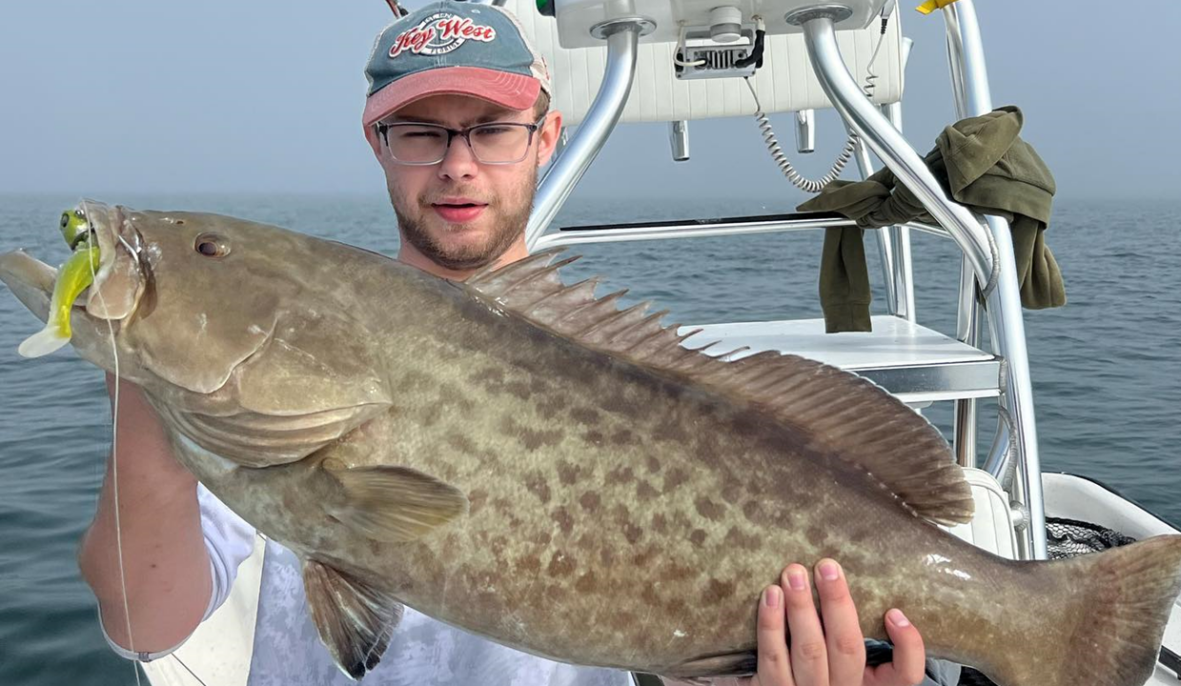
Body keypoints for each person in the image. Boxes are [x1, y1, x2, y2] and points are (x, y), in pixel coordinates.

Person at [78, 2, 949, 685]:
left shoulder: (624, 377)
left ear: (546, 138)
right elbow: (142, 623)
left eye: (491, 130)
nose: (458, 164)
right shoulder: (278, 387)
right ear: (377, 144)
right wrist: (145, 363)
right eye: (422, 132)